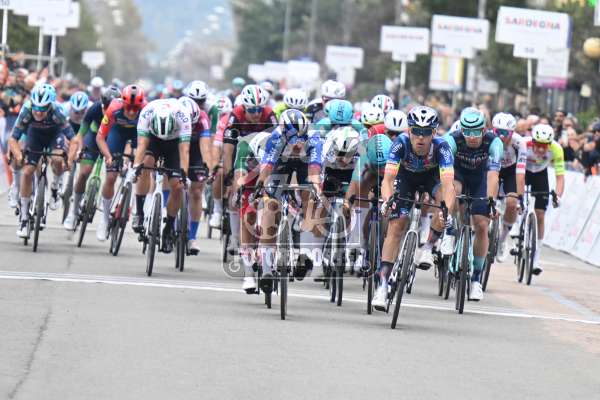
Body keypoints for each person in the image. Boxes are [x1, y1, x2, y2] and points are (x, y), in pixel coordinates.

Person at [374, 106, 455, 310]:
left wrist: (447, 210)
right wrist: (387, 201)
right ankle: (382, 286)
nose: (420, 137)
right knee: (396, 225)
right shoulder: (400, 144)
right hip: (406, 179)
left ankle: (427, 247)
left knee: (443, 205)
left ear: (433, 133)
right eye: (416, 131)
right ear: (409, 130)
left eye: (426, 132)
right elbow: (387, 180)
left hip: (431, 179)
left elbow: (448, 185)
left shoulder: (442, 147)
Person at [255, 109, 323, 291]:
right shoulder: (276, 138)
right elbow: (267, 166)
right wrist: (260, 184)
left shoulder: (314, 138)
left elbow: (314, 169)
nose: (298, 143)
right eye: (294, 139)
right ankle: (267, 270)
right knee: (271, 207)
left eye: (301, 138)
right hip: (281, 165)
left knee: (310, 197)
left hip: (305, 166)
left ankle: (304, 253)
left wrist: (316, 187)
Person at [443, 107, 503, 301]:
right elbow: (446, 174)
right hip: (458, 174)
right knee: (455, 190)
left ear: (484, 130)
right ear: (461, 130)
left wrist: (491, 202)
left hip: (480, 178)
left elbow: (493, 176)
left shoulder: (494, 142)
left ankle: (476, 278)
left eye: (476, 132)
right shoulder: (452, 140)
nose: (471, 137)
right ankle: (450, 231)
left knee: (482, 224)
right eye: (467, 132)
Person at [8, 83, 75, 237]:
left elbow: (73, 139)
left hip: (54, 136)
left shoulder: (58, 112)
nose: (38, 112)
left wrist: (70, 159)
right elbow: (12, 139)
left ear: (50, 106)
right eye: (36, 108)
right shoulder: (26, 109)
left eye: (43, 108)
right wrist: (19, 155)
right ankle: (24, 218)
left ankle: (55, 187)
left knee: (57, 159)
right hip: (35, 136)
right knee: (27, 172)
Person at [128, 98, 192, 253]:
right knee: (146, 164)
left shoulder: (183, 116)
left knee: (178, 186)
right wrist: (135, 168)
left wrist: (184, 174)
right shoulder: (147, 113)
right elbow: (142, 145)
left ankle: (169, 228)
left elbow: (184, 150)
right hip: (153, 139)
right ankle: (139, 213)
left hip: (174, 143)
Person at [212, 84, 277, 228]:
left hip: (261, 152)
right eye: (252, 110)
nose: (256, 114)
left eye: (259, 109)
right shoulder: (236, 115)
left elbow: (278, 143)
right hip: (240, 151)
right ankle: (235, 236)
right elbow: (228, 148)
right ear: (244, 107)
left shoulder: (269, 114)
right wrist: (229, 173)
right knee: (236, 185)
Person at [63, 86, 122, 230]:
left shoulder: (122, 112)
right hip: (94, 137)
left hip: (112, 140)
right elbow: (81, 133)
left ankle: (105, 218)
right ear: (102, 105)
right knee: (84, 173)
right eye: (105, 108)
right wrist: (79, 149)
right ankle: (73, 212)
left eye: (111, 109)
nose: (108, 111)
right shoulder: (94, 108)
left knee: (111, 177)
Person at [96, 84, 147, 240]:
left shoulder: (146, 110)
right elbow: (100, 138)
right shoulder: (113, 108)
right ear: (123, 103)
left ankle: (137, 209)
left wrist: (139, 161)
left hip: (138, 134)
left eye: (135, 108)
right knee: (111, 176)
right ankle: (104, 218)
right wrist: (108, 157)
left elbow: (147, 141)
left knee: (143, 169)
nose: (131, 112)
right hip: (117, 133)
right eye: (129, 107)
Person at [524, 124, 565, 275]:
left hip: (540, 174)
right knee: (515, 201)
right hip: (523, 171)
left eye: (545, 146)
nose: (541, 149)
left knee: (540, 215)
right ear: (533, 141)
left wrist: (558, 196)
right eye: (539, 145)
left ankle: (536, 258)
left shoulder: (557, 149)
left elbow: (560, 177)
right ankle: (516, 228)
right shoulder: (523, 143)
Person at [492, 112, 526, 262]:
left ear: (512, 133)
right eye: (497, 131)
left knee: (512, 203)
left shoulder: (519, 142)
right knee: (487, 201)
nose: (501, 136)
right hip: (492, 169)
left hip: (511, 171)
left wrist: (520, 198)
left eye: (505, 133)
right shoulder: (488, 138)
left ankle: (503, 239)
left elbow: (520, 173)